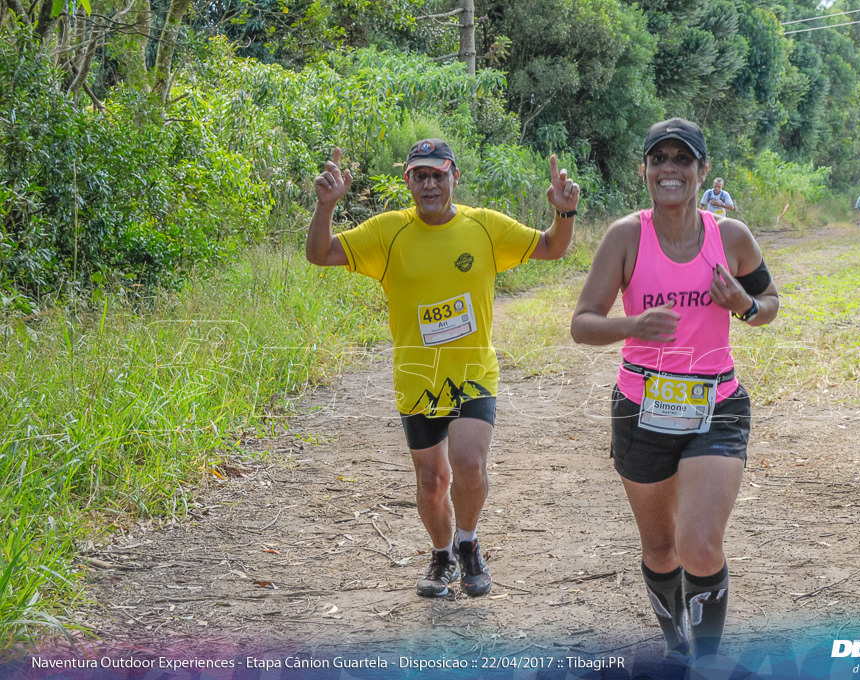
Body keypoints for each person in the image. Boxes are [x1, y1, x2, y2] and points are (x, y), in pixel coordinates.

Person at [307, 139, 580, 598]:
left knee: (469, 465)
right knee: (432, 481)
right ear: (408, 181)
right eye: (420, 175)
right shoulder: (387, 232)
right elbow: (321, 253)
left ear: (455, 177)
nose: (430, 183)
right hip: (417, 380)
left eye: (438, 174)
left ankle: (468, 543)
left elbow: (552, 248)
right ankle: (441, 557)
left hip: (473, 373)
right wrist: (326, 206)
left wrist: (564, 213)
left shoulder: (485, 227)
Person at [570, 118, 779, 664]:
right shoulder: (625, 236)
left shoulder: (730, 236)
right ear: (644, 170)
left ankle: (704, 662)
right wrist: (631, 326)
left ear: (702, 170)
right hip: (641, 410)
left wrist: (744, 305)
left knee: (698, 543)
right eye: (658, 159)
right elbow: (583, 323)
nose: (669, 169)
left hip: (717, 405)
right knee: (661, 548)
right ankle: (675, 642)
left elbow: (769, 306)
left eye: (682, 160)